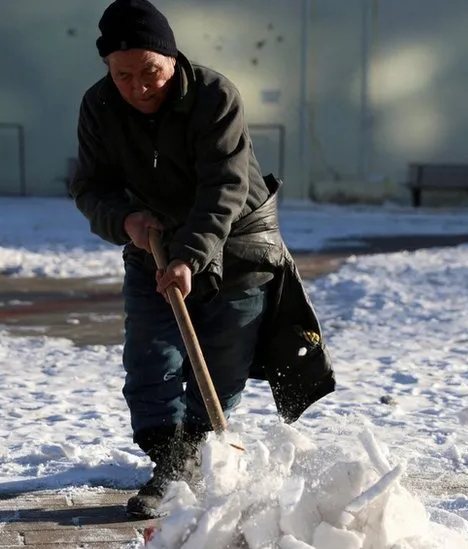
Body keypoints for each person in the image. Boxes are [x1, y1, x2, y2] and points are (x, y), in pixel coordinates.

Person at [69, 0, 335, 519]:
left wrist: (189, 256)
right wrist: (126, 221)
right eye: (123, 75)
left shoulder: (214, 96)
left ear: (173, 59)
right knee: (150, 361)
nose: (139, 86)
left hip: (239, 243)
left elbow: (225, 188)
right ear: (107, 68)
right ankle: (171, 469)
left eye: (151, 71)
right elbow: (89, 186)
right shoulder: (99, 107)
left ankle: (198, 460)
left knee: (219, 366)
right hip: (153, 243)